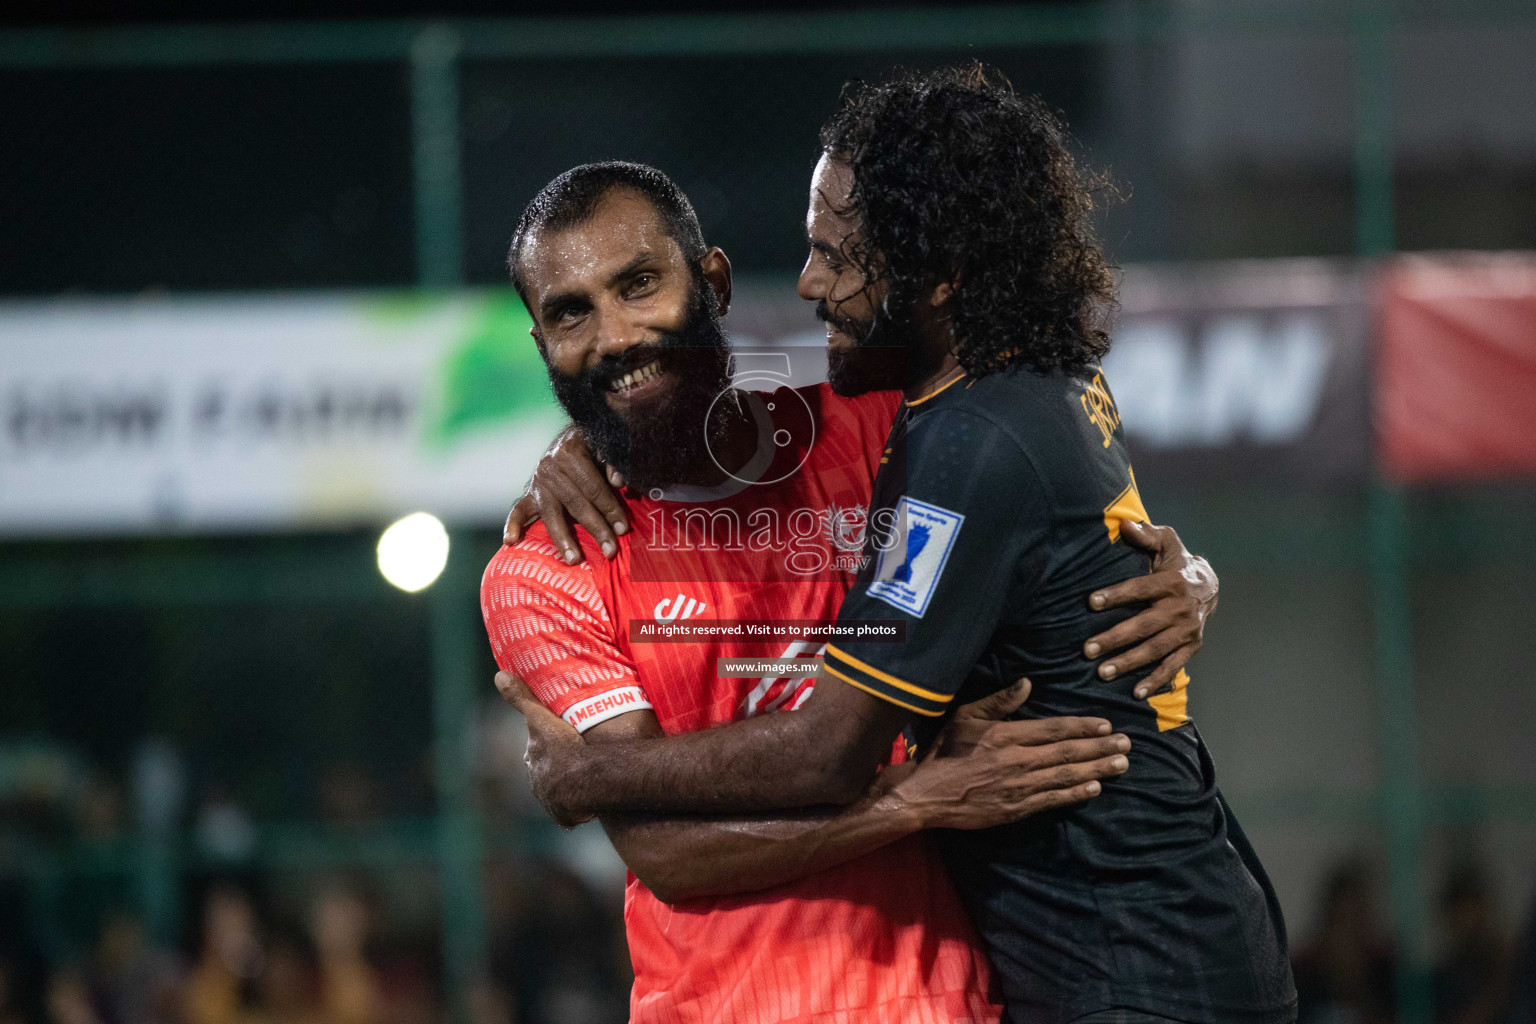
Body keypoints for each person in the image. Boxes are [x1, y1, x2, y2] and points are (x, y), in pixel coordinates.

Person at [496, 66, 1297, 1024]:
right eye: (571, 312)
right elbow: (663, 852)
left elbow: (842, 739)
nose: (617, 335)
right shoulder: (550, 568)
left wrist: (1187, 571)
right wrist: (921, 796)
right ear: (542, 341)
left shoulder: (889, 431)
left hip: (1064, 982)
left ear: (707, 282)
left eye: (638, 285)